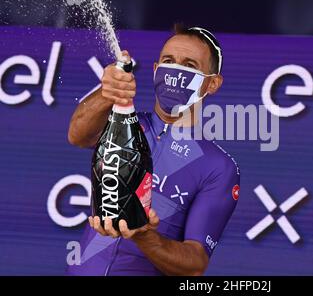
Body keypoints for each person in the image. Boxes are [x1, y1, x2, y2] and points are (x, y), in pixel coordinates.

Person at [66, 24, 240, 276]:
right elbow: (78, 135)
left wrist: (144, 235)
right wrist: (108, 93)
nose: (176, 70)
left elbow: (195, 264)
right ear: (156, 70)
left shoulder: (219, 166)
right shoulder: (124, 123)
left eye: (190, 66)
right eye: (169, 61)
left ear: (212, 84)